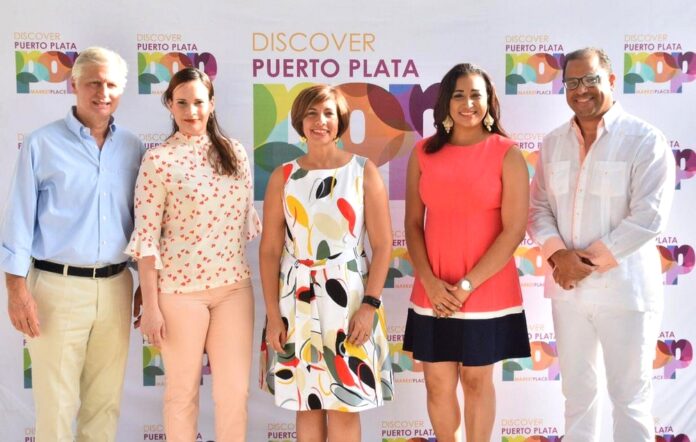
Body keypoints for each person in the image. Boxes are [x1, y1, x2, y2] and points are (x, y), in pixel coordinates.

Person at [528, 47, 675, 442]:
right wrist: (559, 256)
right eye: (572, 82)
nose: (581, 90)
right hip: (568, 294)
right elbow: (538, 208)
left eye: (591, 79)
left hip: (625, 293)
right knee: (577, 397)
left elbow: (649, 218)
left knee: (630, 399)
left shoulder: (644, 140)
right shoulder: (553, 143)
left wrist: (583, 264)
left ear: (610, 80)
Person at [1, 47, 144, 441]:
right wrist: (16, 291)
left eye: (111, 84)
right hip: (55, 288)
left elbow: (141, 222)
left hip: (116, 286)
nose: (103, 92)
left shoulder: (133, 148)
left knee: (105, 404)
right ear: (74, 84)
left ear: (121, 90)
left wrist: (145, 284)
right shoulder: (41, 144)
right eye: (94, 83)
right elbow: (18, 220)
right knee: (56, 406)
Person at [125, 67, 260, 442]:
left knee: (234, 394)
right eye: (182, 103)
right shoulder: (158, 161)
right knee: (181, 394)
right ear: (169, 104)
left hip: (234, 289)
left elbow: (242, 223)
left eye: (199, 102)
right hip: (179, 294)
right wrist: (151, 306)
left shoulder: (235, 153)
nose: (191, 111)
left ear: (212, 104)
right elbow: (147, 239)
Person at [403, 63, 531, 442]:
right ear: (445, 102)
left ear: (488, 101)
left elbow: (514, 230)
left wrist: (466, 285)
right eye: (458, 95)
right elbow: (413, 224)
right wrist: (430, 282)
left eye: (476, 94)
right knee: (437, 384)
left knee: (476, 381)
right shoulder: (422, 152)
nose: (468, 103)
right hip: (434, 289)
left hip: (486, 288)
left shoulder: (507, 154)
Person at [259, 84, 394, 441]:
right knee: (307, 402)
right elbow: (270, 250)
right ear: (300, 121)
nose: (320, 121)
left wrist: (369, 306)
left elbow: (383, 245)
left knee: (345, 402)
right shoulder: (283, 177)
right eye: (312, 114)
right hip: (295, 299)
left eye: (328, 114)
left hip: (349, 299)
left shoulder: (362, 171)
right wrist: (273, 315)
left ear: (341, 121)